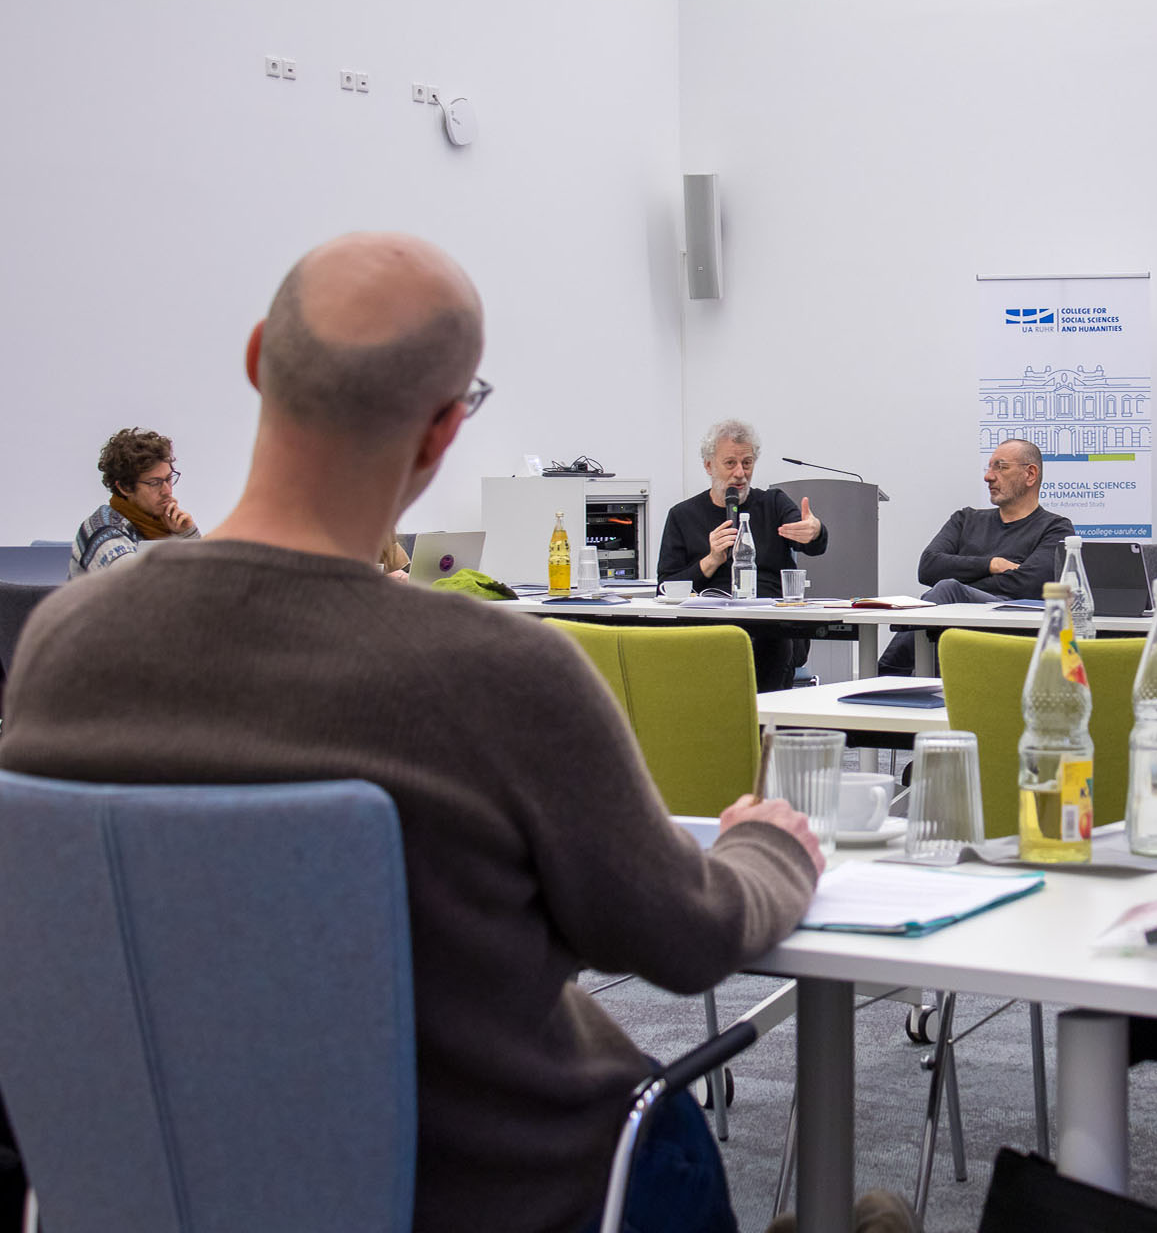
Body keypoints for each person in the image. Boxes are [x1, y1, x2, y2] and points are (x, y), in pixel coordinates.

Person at [0, 232, 829, 1233]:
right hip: (489, 1194)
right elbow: (687, 937)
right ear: (443, 430)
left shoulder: (62, 647)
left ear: (259, 359)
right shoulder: (502, 671)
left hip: (160, 1183)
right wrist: (768, 846)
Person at [876, 438, 1075, 675]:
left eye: (1001, 467)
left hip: (1010, 631)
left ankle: (884, 675)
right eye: (989, 468)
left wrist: (961, 586)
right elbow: (928, 567)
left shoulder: (1056, 528)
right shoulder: (965, 519)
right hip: (954, 633)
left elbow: (1029, 584)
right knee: (946, 594)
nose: (988, 477)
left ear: (1030, 474)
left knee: (948, 589)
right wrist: (991, 564)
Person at [657, 418, 828, 691]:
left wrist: (815, 531)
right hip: (708, 625)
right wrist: (710, 561)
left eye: (747, 463)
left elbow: (812, 544)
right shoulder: (682, 515)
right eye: (730, 463)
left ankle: (762, 714)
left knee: (768, 639)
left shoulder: (773, 503)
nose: (740, 473)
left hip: (771, 625)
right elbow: (665, 587)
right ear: (708, 466)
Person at [69, 427, 200, 576]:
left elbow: (206, 576)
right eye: (154, 483)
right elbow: (136, 583)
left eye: (169, 479)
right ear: (125, 487)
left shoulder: (164, 524)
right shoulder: (103, 531)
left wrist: (188, 534)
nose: (167, 491)